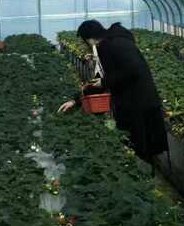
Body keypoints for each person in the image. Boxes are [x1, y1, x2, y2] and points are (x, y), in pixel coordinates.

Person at [58, 20, 168, 163]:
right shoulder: (110, 43)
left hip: (139, 104)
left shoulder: (115, 44)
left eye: (85, 42)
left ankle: (145, 171)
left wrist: (104, 82)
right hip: (134, 102)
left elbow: (133, 69)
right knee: (139, 147)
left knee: (141, 149)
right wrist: (76, 100)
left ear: (89, 39)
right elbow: (104, 79)